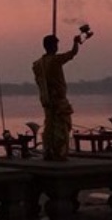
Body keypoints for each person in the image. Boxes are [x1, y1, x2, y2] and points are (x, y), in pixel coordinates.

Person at [32, 33, 85, 161]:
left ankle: (49, 150)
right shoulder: (55, 60)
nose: (57, 47)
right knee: (61, 127)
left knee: (50, 126)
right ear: (52, 46)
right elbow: (72, 53)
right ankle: (59, 153)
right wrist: (75, 42)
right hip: (58, 101)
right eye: (56, 45)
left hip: (46, 100)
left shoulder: (37, 64)